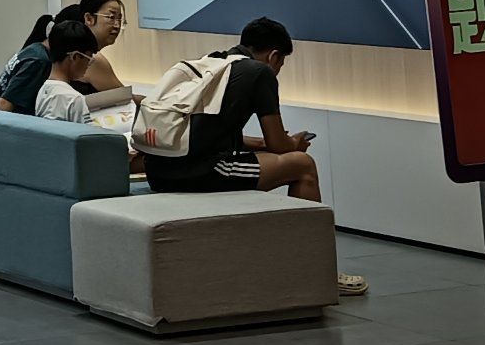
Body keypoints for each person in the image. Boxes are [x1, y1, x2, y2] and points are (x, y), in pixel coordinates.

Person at [139, 16, 363, 295]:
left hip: (158, 171)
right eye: (281, 64)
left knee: (283, 160)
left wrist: (261, 145)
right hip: (200, 172)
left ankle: (305, 266)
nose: (278, 70)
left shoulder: (213, 63)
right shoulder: (260, 73)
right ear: (274, 56)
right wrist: (294, 143)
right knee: (302, 165)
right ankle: (316, 271)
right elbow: (279, 144)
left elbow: (204, 135)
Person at [0, 0, 128, 112]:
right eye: (111, 17)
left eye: (120, 19)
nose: (116, 25)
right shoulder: (40, 61)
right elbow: (3, 106)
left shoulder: (35, 51)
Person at [32, 18, 105, 123]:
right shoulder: (74, 99)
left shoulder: (43, 91)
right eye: (88, 58)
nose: (88, 64)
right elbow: (87, 133)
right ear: (75, 57)